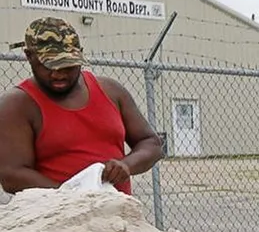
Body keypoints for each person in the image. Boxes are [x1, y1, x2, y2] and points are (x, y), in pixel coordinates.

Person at [0, 16, 163, 195]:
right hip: (57, 217)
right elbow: (12, 175)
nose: (58, 74)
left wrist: (126, 165)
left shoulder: (111, 91)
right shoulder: (16, 105)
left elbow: (151, 143)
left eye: (67, 66)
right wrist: (75, 196)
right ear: (29, 57)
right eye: (48, 66)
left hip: (116, 214)